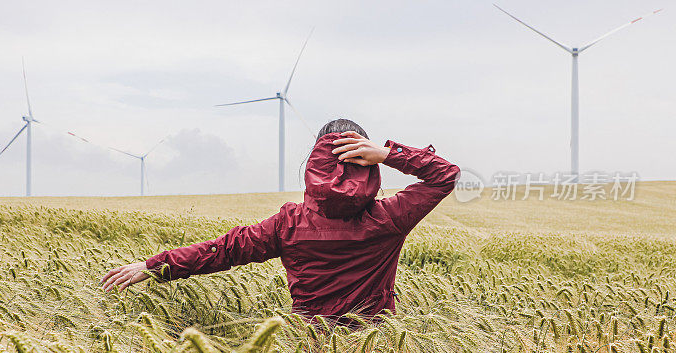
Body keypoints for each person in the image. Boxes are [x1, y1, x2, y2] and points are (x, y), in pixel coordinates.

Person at [101, 119, 460, 323]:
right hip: (376, 352)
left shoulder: (287, 223)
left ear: (314, 165)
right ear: (367, 167)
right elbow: (445, 175)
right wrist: (387, 153)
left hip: (304, 348)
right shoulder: (390, 219)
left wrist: (154, 266)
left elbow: (222, 251)